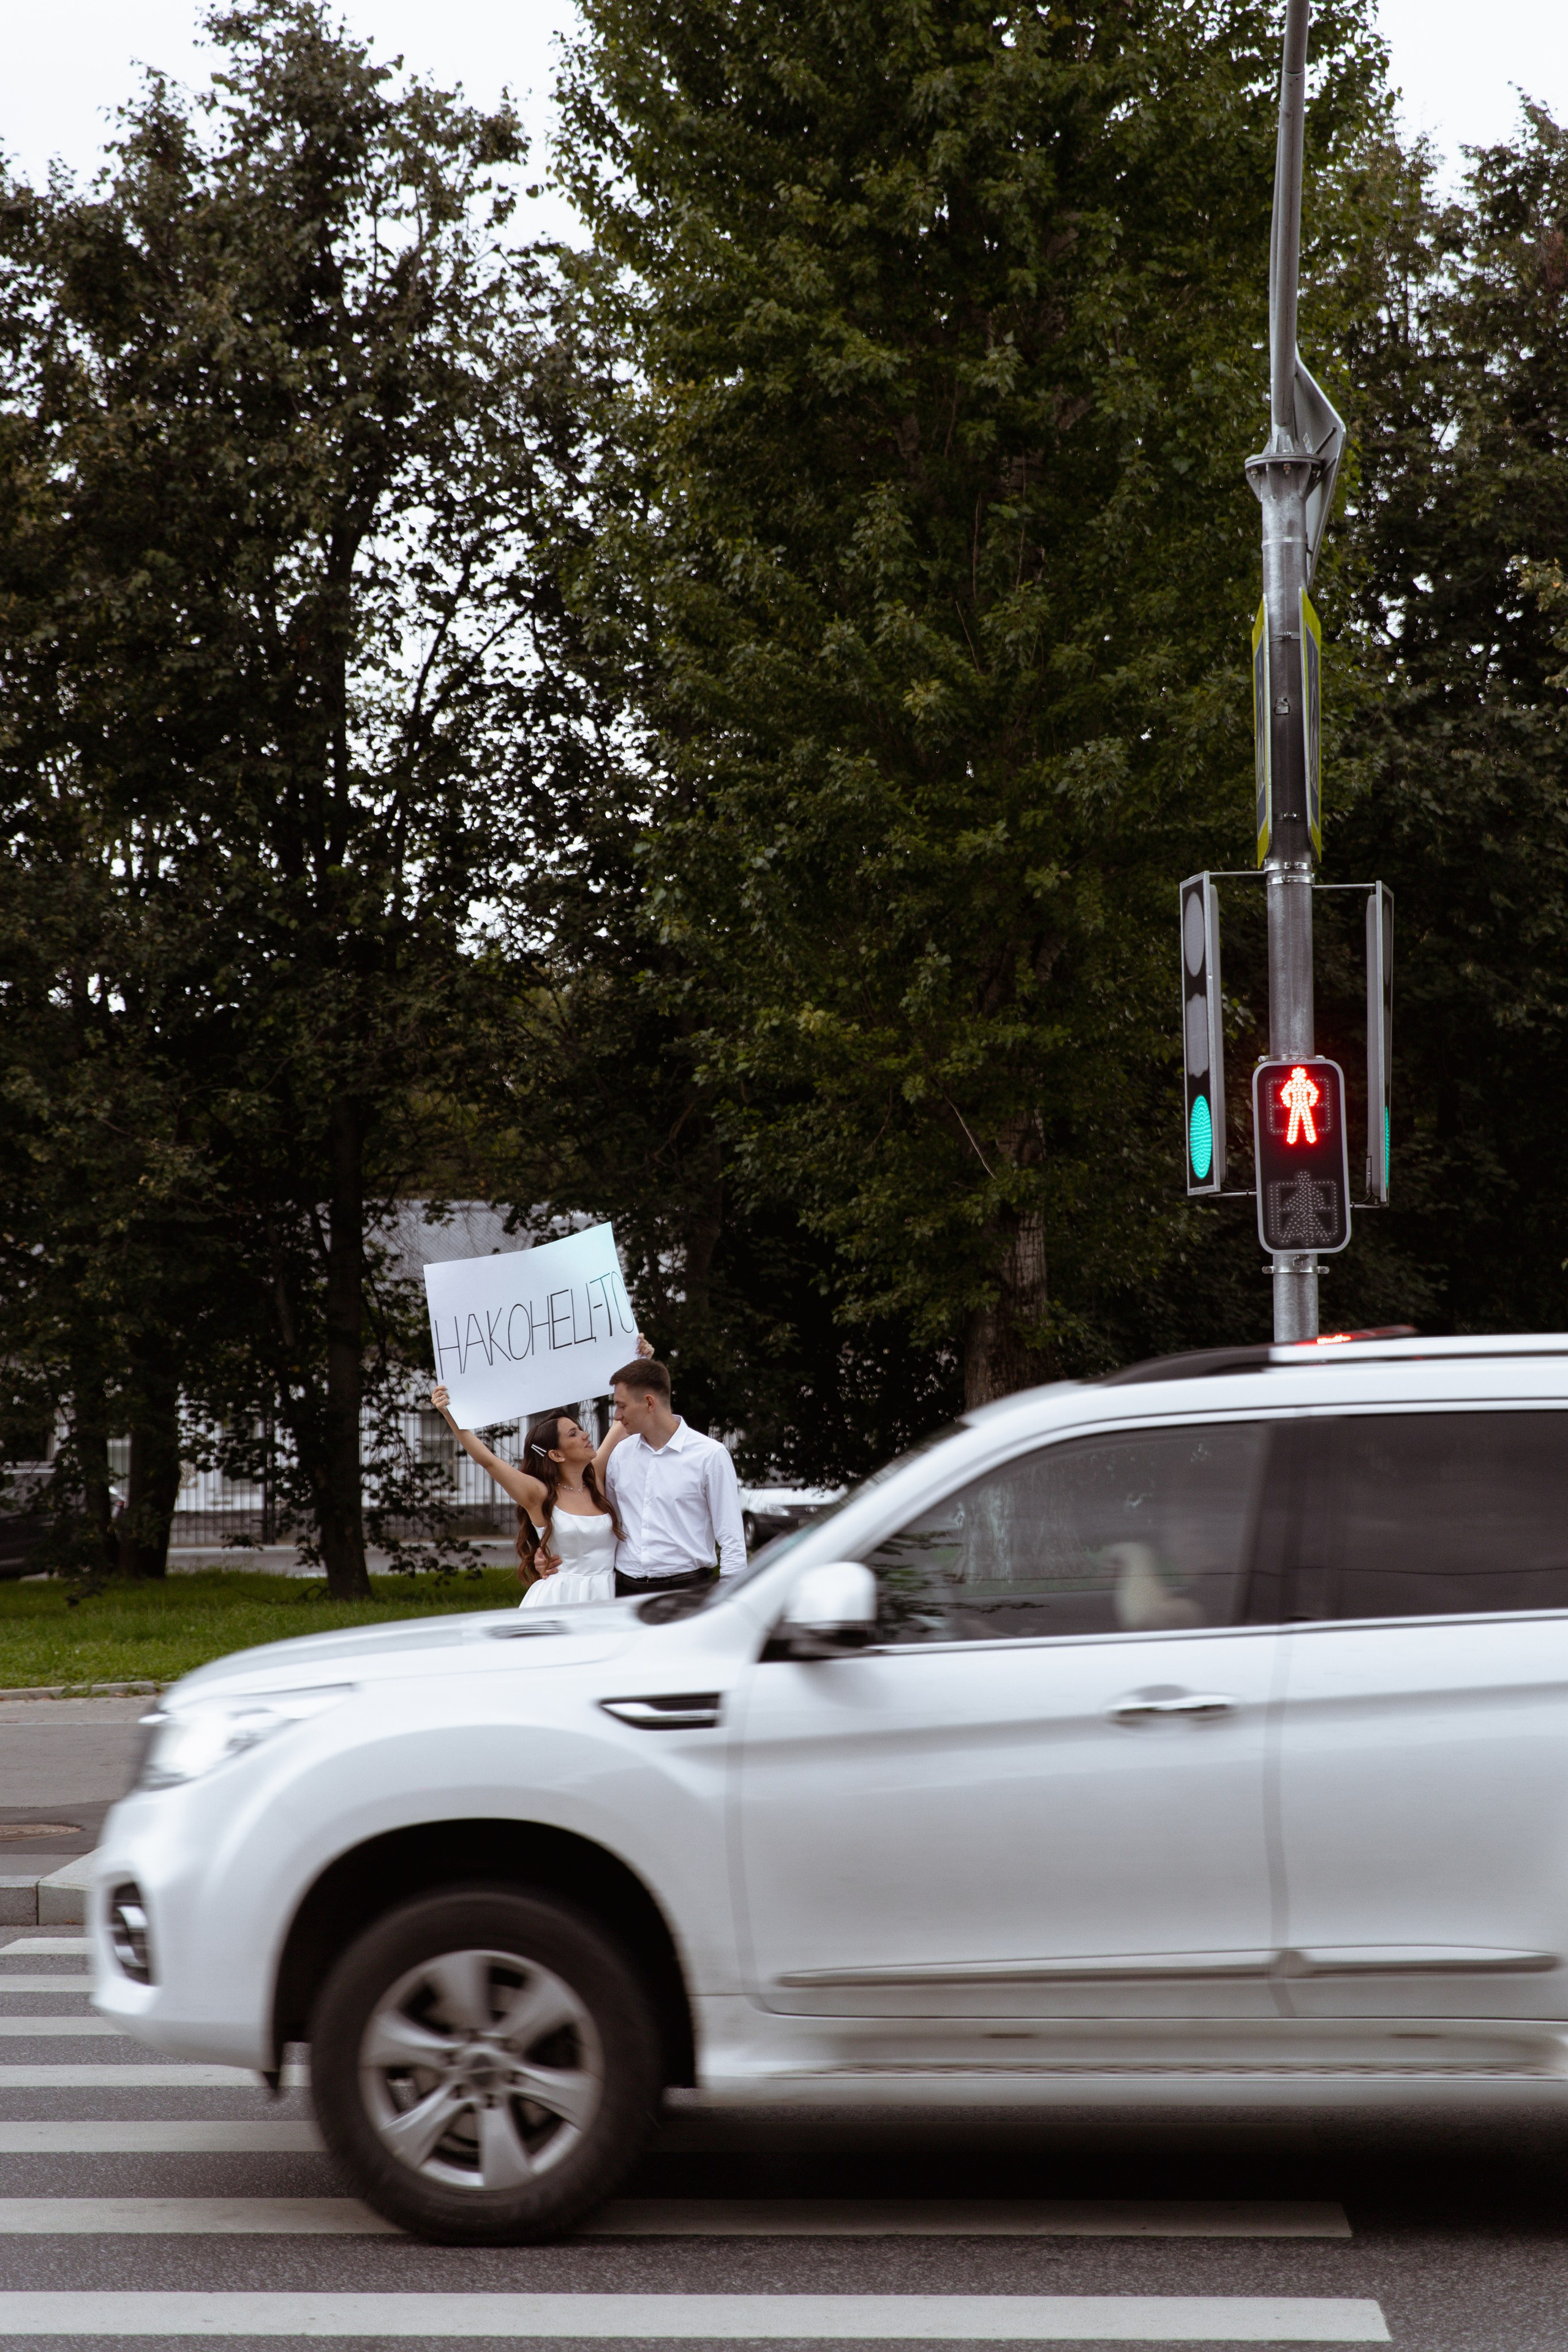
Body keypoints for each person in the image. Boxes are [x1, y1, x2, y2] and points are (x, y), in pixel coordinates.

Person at [429, 1376, 639, 1605]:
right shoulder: (539, 1494)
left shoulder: (596, 1479)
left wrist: (638, 1365)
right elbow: (488, 1461)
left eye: (580, 1430)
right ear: (556, 1455)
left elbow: (621, 1423)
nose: (585, 1435)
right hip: (562, 1598)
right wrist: (449, 1414)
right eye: (574, 1434)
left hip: (609, 1593)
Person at [603, 1355, 747, 1600]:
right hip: (624, 1591)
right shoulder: (620, 1456)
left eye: (622, 1406)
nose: (616, 1416)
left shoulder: (710, 1456)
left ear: (649, 1403)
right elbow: (608, 1525)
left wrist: (731, 1600)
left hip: (687, 1592)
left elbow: (732, 1539)